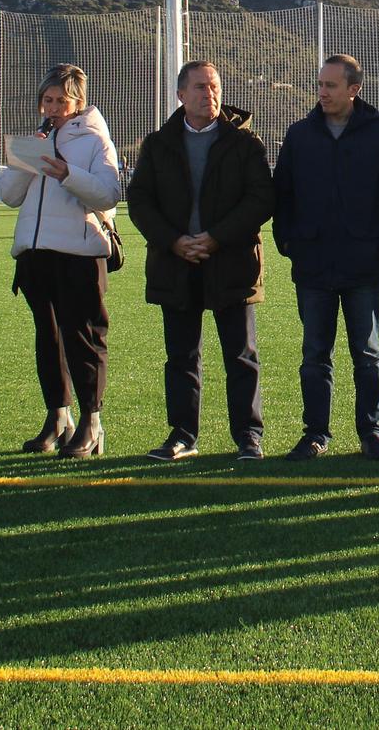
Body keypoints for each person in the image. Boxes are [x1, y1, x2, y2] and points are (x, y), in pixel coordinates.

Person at [126, 61, 275, 461]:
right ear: (180, 94)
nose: (207, 94)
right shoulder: (158, 144)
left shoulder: (245, 143)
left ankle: (248, 436)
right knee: (181, 356)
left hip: (232, 263)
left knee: (241, 356)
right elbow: (139, 199)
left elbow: (261, 198)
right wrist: (173, 241)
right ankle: (182, 434)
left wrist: (215, 237)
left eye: (213, 86)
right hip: (176, 264)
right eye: (198, 87)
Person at [272, 54, 379, 461]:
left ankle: (372, 432)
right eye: (320, 84)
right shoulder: (299, 135)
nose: (322, 92)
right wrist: (287, 240)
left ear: (354, 89)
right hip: (312, 263)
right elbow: (282, 194)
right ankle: (315, 434)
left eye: (331, 85)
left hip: (362, 264)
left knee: (367, 354)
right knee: (315, 354)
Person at [0, 63, 121, 458]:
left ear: (78, 103)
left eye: (61, 101)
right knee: (48, 340)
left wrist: (68, 173)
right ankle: (58, 416)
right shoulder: (36, 138)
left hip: (79, 254)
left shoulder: (94, 139)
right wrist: (25, 159)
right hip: (35, 255)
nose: (52, 108)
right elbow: (11, 197)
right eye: (47, 100)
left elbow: (108, 194)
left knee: (82, 339)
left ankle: (91, 421)